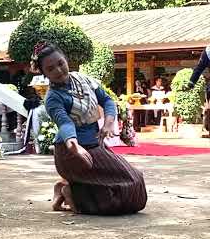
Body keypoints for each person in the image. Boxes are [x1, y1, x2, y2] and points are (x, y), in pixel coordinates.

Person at [30, 41, 147, 215]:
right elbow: (65, 123)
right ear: (44, 73)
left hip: (95, 145)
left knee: (136, 183)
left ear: (66, 59)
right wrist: (74, 145)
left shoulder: (83, 79)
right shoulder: (53, 98)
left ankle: (68, 188)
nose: (58, 70)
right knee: (114, 201)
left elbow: (107, 100)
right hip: (72, 153)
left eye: (60, 63)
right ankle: (70, 192)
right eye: (50, 68)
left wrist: (108, 124)